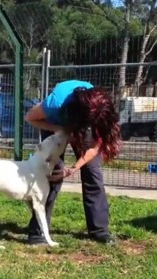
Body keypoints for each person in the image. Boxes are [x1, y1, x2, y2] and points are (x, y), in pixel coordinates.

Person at [24, 80, 122, 246]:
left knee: (92, 173)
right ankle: (38, 232)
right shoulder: (56, 102)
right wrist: (60, 130)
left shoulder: (101, 109)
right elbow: (30, 117)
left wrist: (73, 169)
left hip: (82, 119)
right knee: (52, 176)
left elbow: (94, 148)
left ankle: (99, 231)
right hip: (54, 123)